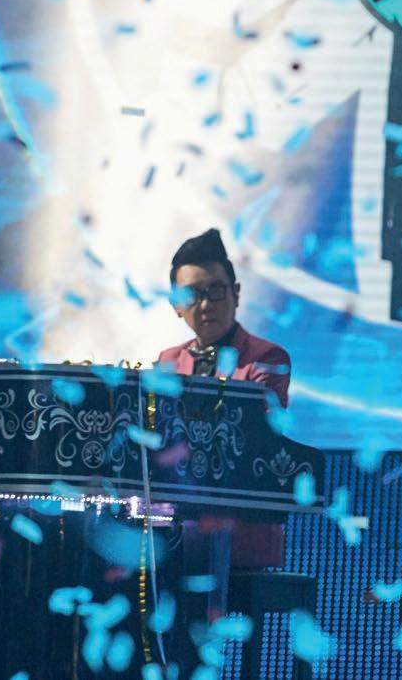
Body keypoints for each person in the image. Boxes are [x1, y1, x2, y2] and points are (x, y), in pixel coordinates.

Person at [157, 227, 292, 570]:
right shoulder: (167, 361)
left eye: (215, 291)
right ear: (176, 305)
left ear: (236, 293)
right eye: (191, 295)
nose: (205, 305)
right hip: (173, 534)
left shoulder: (267, 357)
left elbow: (258, 438)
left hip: (241, 535)